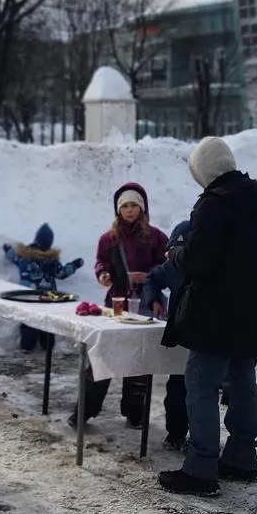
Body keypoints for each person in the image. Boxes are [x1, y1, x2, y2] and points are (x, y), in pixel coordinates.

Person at [158, 138, 257, 497]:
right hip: (251, 308)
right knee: (242, 382)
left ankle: (200, 468)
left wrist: (175, 253)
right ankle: (241, 458)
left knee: (201, 385)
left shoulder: (212, 204)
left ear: (203, 171)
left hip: (215, 312)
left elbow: (196, 260)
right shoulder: (256, 200)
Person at [83, 183, 169, 428]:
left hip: (144, 303)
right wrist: (103, 275)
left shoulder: (156, 237)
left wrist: (150, 275)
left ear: (142, 208)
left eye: (134, 205)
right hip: (116, 304)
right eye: (125, 206)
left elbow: (168, 266)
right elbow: (101, 263)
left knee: (139, 359)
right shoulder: (107, 239)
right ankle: (85, 410)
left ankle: (135, 413)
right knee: (103, 354)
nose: (129, 210)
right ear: (118, 210)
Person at [137, 220, 194, 450]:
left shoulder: (207, 268)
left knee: (200, 390)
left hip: (205, 336)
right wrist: (153, 301)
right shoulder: (171, 267)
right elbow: (152, 279)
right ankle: (176, 433)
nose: (171, 257)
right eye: (169, 252)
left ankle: (201, 441)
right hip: (180, 335)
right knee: (178, 389)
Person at [3, 224, 83, 350]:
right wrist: (75, 265)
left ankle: (27, 347)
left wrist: (7, 249)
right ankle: (47, 346)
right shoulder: (51, 260)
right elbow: (61, 273)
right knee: (47, 324)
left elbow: (12, 255)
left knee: (28, 322)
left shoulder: (24, 256)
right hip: (48, 299)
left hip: (27, 297)